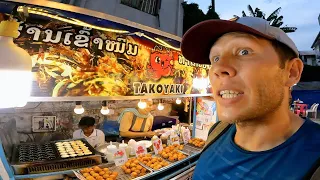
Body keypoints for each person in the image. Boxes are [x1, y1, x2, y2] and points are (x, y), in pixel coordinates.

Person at [181, 16, 320, 179]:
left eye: (244, 52)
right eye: (215, 58)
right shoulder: (217, 131)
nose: (219, 68)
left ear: (291, 72)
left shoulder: (313, 159)